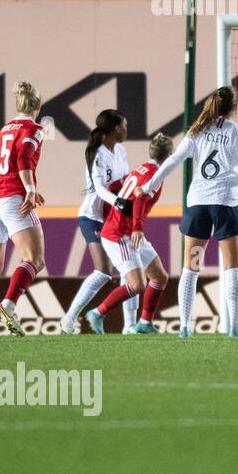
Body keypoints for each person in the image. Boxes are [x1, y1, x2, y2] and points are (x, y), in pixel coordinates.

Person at [141, 86, 238, 338]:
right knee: (232, 268)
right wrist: (235, 164)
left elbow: (173, 160)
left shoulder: (197, 131)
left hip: (198, 205)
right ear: (234, 108)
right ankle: (235, 328)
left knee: (191, 267)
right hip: (226, 204)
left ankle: (184, 327)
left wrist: (149, 186)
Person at [86, 134, 174, 335]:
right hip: (121, 234)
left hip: (123, 229)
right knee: (137, 284)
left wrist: (112, 217)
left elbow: (116, 187)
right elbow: (140, 198)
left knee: (159, 277)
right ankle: (98, 313)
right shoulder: (155, 175)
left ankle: (145, 323)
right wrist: (136, 228)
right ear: (169, 156)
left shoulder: (141, 168)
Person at [62, 109, 139, 334]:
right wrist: (119, 202)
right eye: (124, 126)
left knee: (129, 268)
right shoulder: (97, 154)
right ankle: (69, 318)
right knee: (104, 270)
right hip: (93, 217)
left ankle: (130, 326)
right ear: (115, 129)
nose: (126, 130)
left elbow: (124, 180)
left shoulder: (121, 151)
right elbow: (99, 189)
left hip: (113, 216)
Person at [0, 82, 48, 337]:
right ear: (38, 105)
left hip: (0, 195)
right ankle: (8, 305)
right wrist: (28, 188)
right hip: (13, 198)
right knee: (34, 259)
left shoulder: (4, 129)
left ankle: (7, 306)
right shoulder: (34, 128)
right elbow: (23, 156)